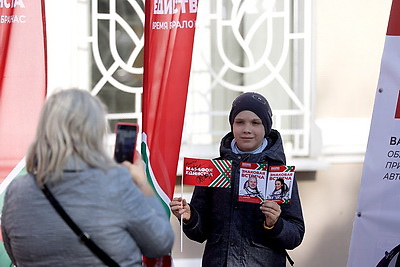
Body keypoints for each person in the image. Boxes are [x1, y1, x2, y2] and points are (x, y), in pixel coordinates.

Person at [1, 89, 174, 267]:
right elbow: (160, 243)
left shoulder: (17, 191)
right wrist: (143, 183)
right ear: (95, 131)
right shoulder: (117, 183)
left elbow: (15, 256)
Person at [170, 92, 305, 266]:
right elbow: (199, 233)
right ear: (232, 125)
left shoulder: (279, 173)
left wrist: (275, 224)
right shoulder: (214, 170)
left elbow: (296, 235)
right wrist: (189, 217)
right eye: (239, 122)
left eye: (255, 123)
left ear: (267, 127)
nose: (246, 129)